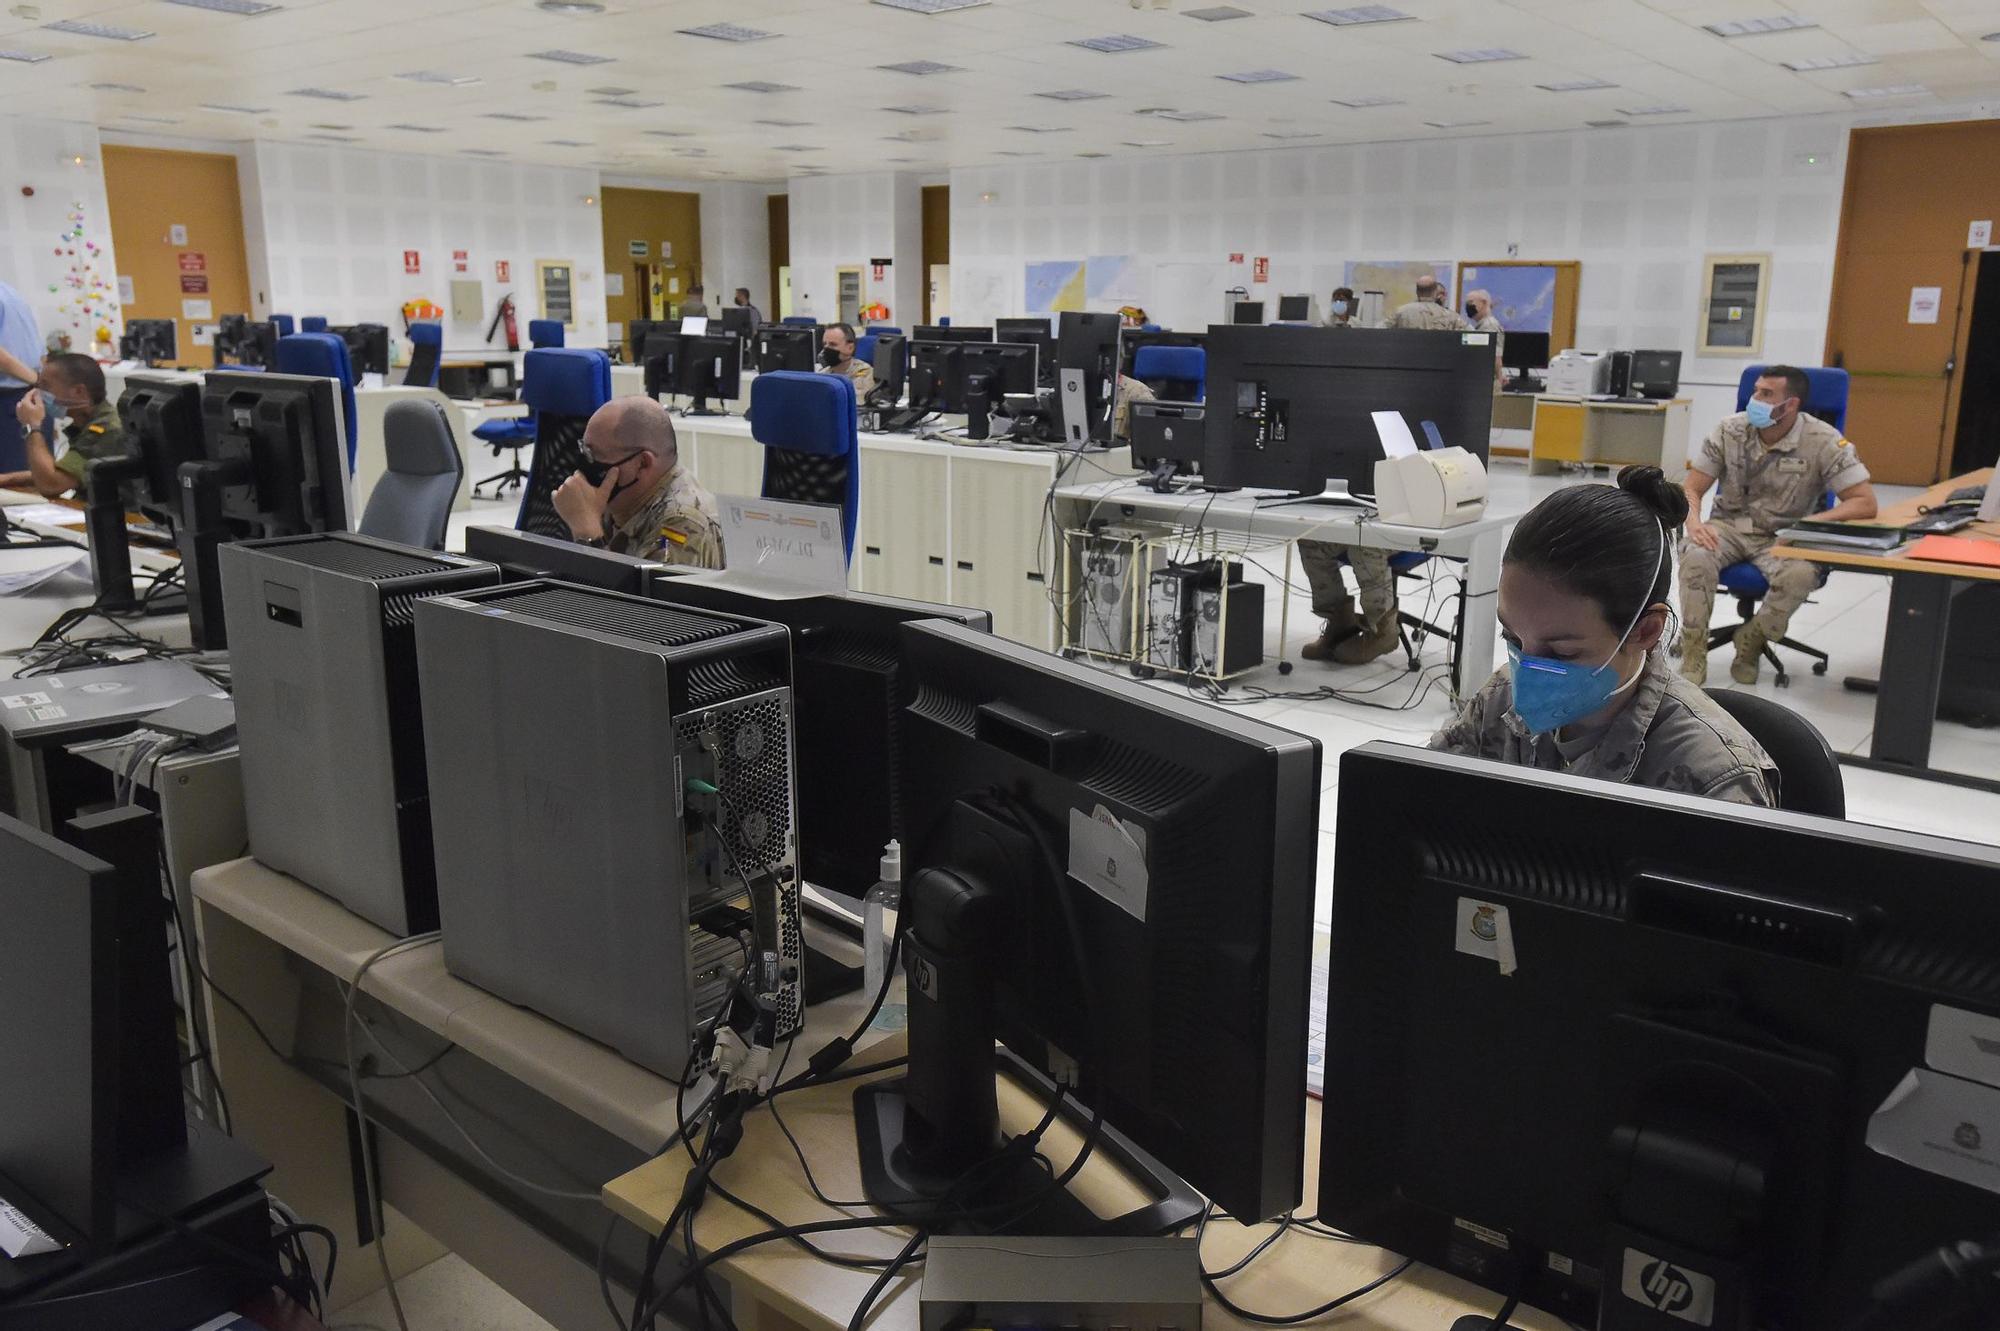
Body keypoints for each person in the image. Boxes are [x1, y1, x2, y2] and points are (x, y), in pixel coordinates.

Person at [1430, 466, 1777, 806]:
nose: (1525, 669)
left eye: (1561, 653)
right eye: (1513, 639)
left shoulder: (1713, 779)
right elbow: (1413, 800)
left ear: (1645, 631)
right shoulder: (1499, 700)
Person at [1677, 366, 1876, 686]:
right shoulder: (1729, 430)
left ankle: (1752, 640)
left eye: (1766, 394)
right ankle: (1693, 653)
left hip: (1786, 535)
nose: (1755, 399)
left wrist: (1810, 524)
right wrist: (1695, 523)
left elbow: (1864, 502)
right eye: (1755, 391)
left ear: (1791, 404)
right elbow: (1691, 488)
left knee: (1800, 573)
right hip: (1730, 527)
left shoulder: (1822, 440)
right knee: (1696, 553)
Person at [551, 396, 723, 569]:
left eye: (595, 456)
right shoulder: (619, 500)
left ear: (642, 463)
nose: (585, 465)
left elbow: (636, 596)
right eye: (584, 451)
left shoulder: (683, 522)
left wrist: (588, 534)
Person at [2, 353, 127, 500]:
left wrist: (32, 426)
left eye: (46, 387)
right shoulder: (89, 421)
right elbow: (65, 471)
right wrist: (7, 479)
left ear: (79, 392)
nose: (38, 393)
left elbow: (51, 484)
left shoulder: (106, 430)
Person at [0, 279, 50, 474]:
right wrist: (41, 383)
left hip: (11, 398)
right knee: (36, 477)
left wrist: (36, 381)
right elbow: (40, 349)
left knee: (13, 484)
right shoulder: (11, 292)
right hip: (32, 392)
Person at [1386, 275, 1469, 332]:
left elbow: (1379, 331)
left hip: (1408, 356)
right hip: (1439, 356)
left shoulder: (1401, 312)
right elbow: (1471, 335)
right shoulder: (1450, 316)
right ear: (1435, 292)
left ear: (1417, 292)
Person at [817, 322, 876, 399]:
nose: (826, 349)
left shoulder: (865, 373)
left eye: (833, 344)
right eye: (825, 344)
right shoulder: (822, 373)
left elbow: (856, 402)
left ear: (850, 348)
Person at [1464, 287, 1505, 386]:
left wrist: (1499, 377)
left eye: (1471, 303)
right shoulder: (1482, 325)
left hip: (1488, 382)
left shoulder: (1489, 325)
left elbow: (1495, 354)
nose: (1468, 307)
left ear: (1483, 303)